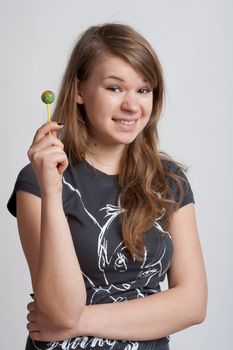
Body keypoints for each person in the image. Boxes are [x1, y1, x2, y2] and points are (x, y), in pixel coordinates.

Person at [7, 23, 207, 350]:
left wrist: (76, 321)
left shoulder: (169, 181)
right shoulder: (37, 180)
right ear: (80, 90)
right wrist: (53, 190)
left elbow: (192, 304)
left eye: (143, 90)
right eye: (115, 88)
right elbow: (58, 307)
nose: (132, 105)